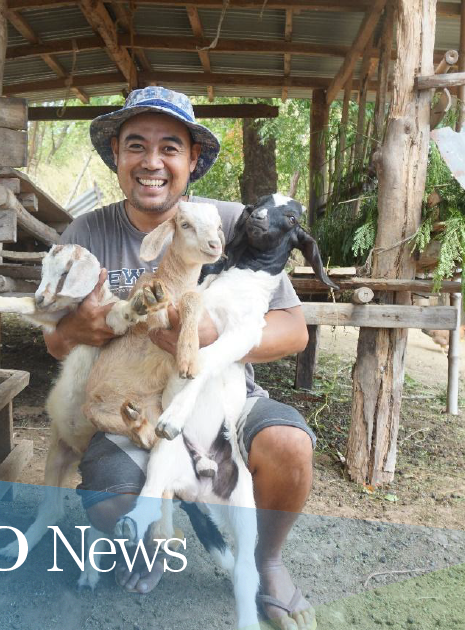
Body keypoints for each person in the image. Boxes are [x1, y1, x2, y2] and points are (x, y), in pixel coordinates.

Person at [45, 86, 316, 630]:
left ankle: (267, 562)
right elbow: (54, 342)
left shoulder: (238, 225)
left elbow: (293, 332)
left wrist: (213, 339)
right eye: (135, 146)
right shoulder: (86, 233)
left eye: (170, 147)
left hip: (220, 395)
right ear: (116, 156)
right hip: (134, 405)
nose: (152, 162)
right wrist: (81, 326)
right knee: (107, 498)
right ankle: (148, 540)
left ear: (192, 160)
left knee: (288, 444)